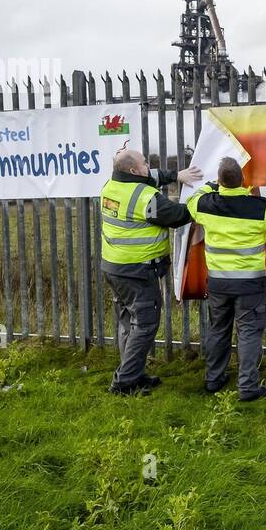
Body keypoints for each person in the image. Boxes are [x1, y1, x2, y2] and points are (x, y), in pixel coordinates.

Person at [186, 157, 266, 397]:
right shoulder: (259, 207)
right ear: (243, 180)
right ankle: (247, 386)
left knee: (218, 330)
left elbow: (192, 200)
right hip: (250, 283)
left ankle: (213, 380)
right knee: (248, 332)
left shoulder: (206, 205)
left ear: (220, 181)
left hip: (218, 282)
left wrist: (210, 186)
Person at [100, 149, 202, 395]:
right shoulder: (146, 198)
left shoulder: (111, 185)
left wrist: (176, 175)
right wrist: (203, 195)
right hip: (138, 270)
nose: (149, 165)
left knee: (129, 323)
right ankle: (124, 383)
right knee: (145, 324)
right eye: (144, 163)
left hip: (114, 266)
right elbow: (178, 216)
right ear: (134, 170)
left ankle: (132, 374)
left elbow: (151, 176)